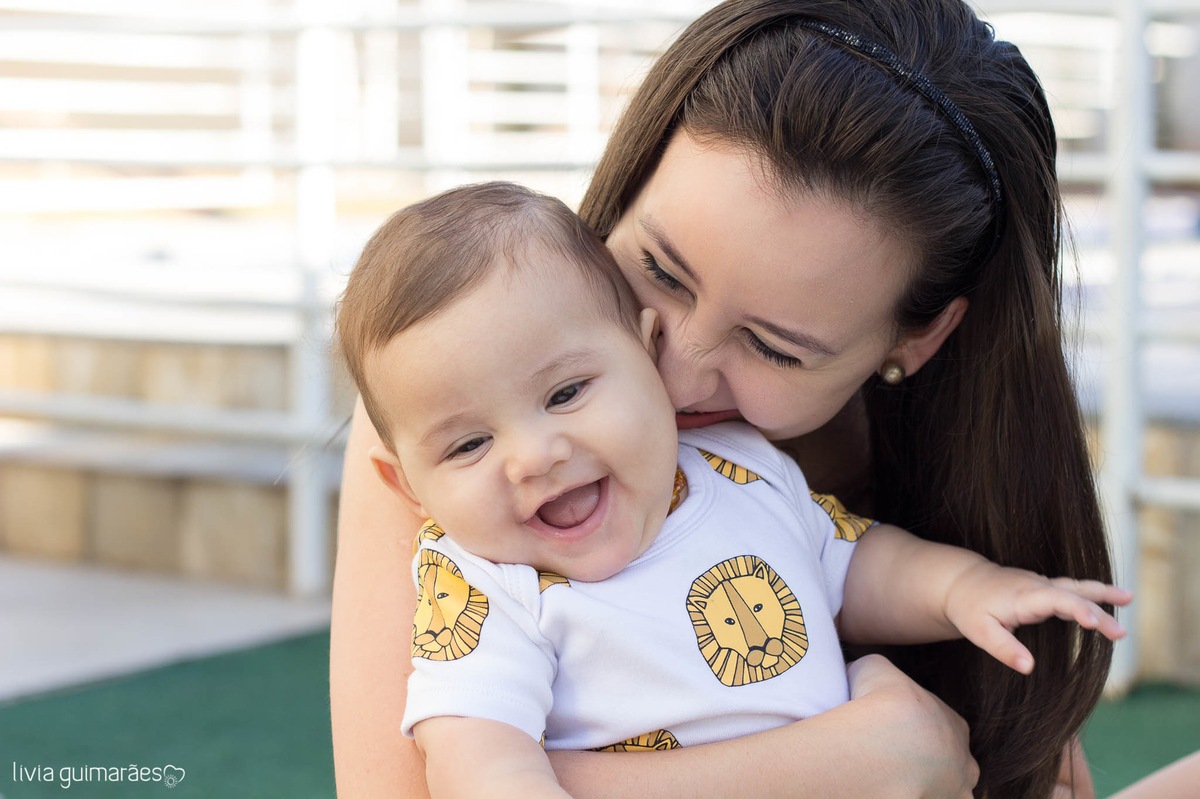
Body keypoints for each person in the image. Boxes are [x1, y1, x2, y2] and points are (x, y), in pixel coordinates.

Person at [330, 1, 1123, 796]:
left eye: (775, 346)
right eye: (663, 271)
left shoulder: (764, 475)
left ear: (916, 340)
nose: (671, 373)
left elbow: (865, 564)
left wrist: (969, 587)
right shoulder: (461, 396)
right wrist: (850, 763)